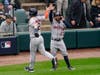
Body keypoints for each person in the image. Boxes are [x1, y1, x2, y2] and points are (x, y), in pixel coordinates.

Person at [24, 7, 57, 72]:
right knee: (43, 52)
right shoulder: (38, 18)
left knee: (32, 54)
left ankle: (31, 68)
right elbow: (45, 16)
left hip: (34, 38)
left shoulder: (31, 20)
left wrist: (35, 32)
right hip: (40, 38)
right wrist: (47, 10)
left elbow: (35, 26)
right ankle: (53, 58)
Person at [49, 4, 75, 70]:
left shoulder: (63, 22)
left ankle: (69, 66)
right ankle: (54, 67)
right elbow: (50, 17)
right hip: (53, 41)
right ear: (54, 17)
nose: (57, 17)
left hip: (60, 41)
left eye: (58, 16)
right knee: (52, 55)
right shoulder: (53, 22)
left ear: (60, 16)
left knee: (65, 54)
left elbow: (69, 26)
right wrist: (51, 10)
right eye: (56, 16)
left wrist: (63, 20)